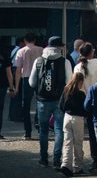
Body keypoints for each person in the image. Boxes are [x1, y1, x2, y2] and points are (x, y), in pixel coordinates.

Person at [30, 36, 70, 168]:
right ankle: (57, 160)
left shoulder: (39, 60)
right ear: (58, 47)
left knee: (43, 130)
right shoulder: (64, 62)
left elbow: (32, 82)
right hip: (59, 100)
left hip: (42, 100)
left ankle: (43, 158)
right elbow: (69, 81)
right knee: (59, 130)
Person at [58, 66, 90, 176]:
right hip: (78, 119)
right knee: (78, 143)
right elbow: (85, 108)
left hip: (67, 117)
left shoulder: (66, 90)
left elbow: (61, 106)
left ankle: (66, 164)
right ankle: (77, 166)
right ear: (80, 81)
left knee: (67, 142)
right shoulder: (81, 94)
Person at [11, 33, 41, 138]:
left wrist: (16, 86)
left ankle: (27, 131)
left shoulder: (21, 51)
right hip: (39, 79)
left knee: (26, 106)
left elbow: (18, 70)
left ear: (25, 40)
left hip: (26, 78)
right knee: (40, 103)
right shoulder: (41, 50)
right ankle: (39, 125)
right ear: (35, 40)